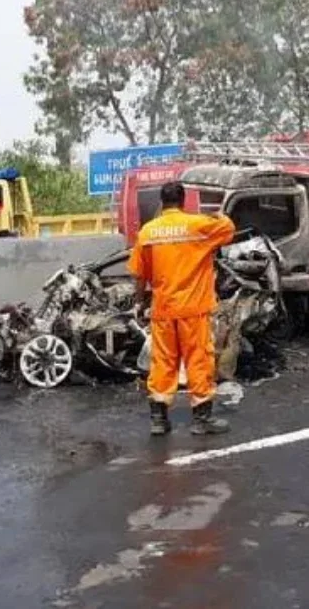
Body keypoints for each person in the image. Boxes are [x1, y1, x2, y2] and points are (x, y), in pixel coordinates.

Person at [127, 181, 236, 436]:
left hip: (163, 310)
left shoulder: (148, 232)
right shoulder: (198, 226)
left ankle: (158, 419)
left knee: (162, 362)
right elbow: (229, 228)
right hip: (193, 310)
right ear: (183, 201)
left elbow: (139, 274)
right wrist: (216, 215)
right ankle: (201, 420)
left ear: (161, 202)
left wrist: (140, 302)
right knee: (198, 361)